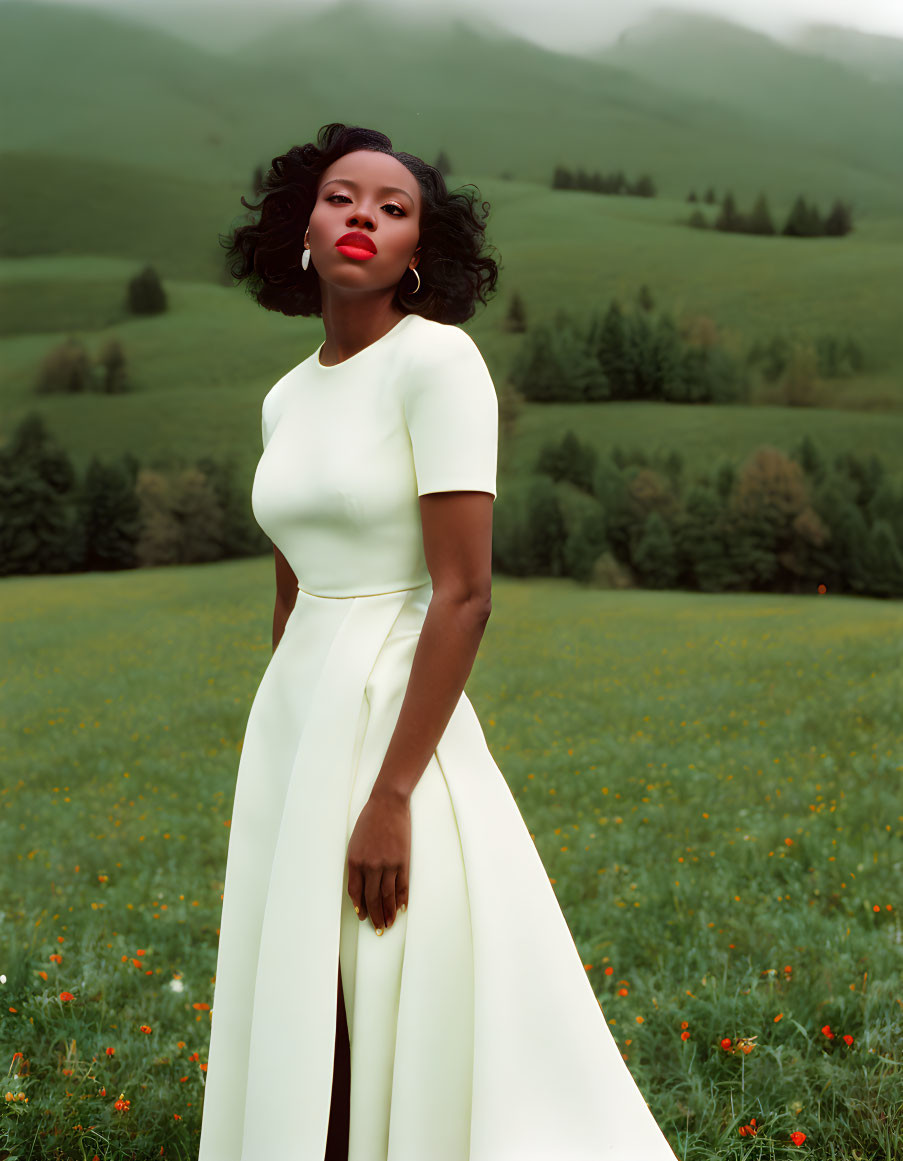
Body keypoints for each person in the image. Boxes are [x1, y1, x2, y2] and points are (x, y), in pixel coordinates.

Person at [197, 122, 679, 1161]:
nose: (363, 214)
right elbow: (293, 592)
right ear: (301, 227)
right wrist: (291, 734)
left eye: (394, 206)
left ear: (421, 252)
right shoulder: (285, 398)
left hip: (398, 720)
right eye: (340, 196)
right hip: (295, 719)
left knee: (399, 971)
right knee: (306, 979)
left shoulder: (439, 363)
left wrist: (388, 795)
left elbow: (464, 595)